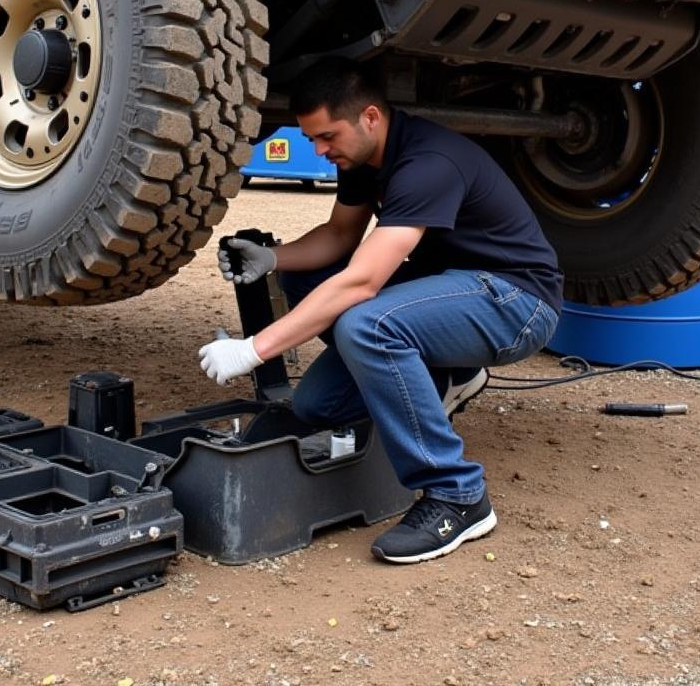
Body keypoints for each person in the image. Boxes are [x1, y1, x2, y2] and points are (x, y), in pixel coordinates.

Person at [198, 59, 563, 564]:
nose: (321, 152)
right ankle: (443, 372)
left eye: (327, 136)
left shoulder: (428, 162)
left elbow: (364, 280)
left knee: (368, 322)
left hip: (514, 299)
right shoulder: (365, 161)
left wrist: (253, 350)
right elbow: (339, 237)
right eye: (312, 141)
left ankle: (457, 494)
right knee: (316, 406)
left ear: (370, 117)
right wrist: (272, 259)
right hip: (450, 287)